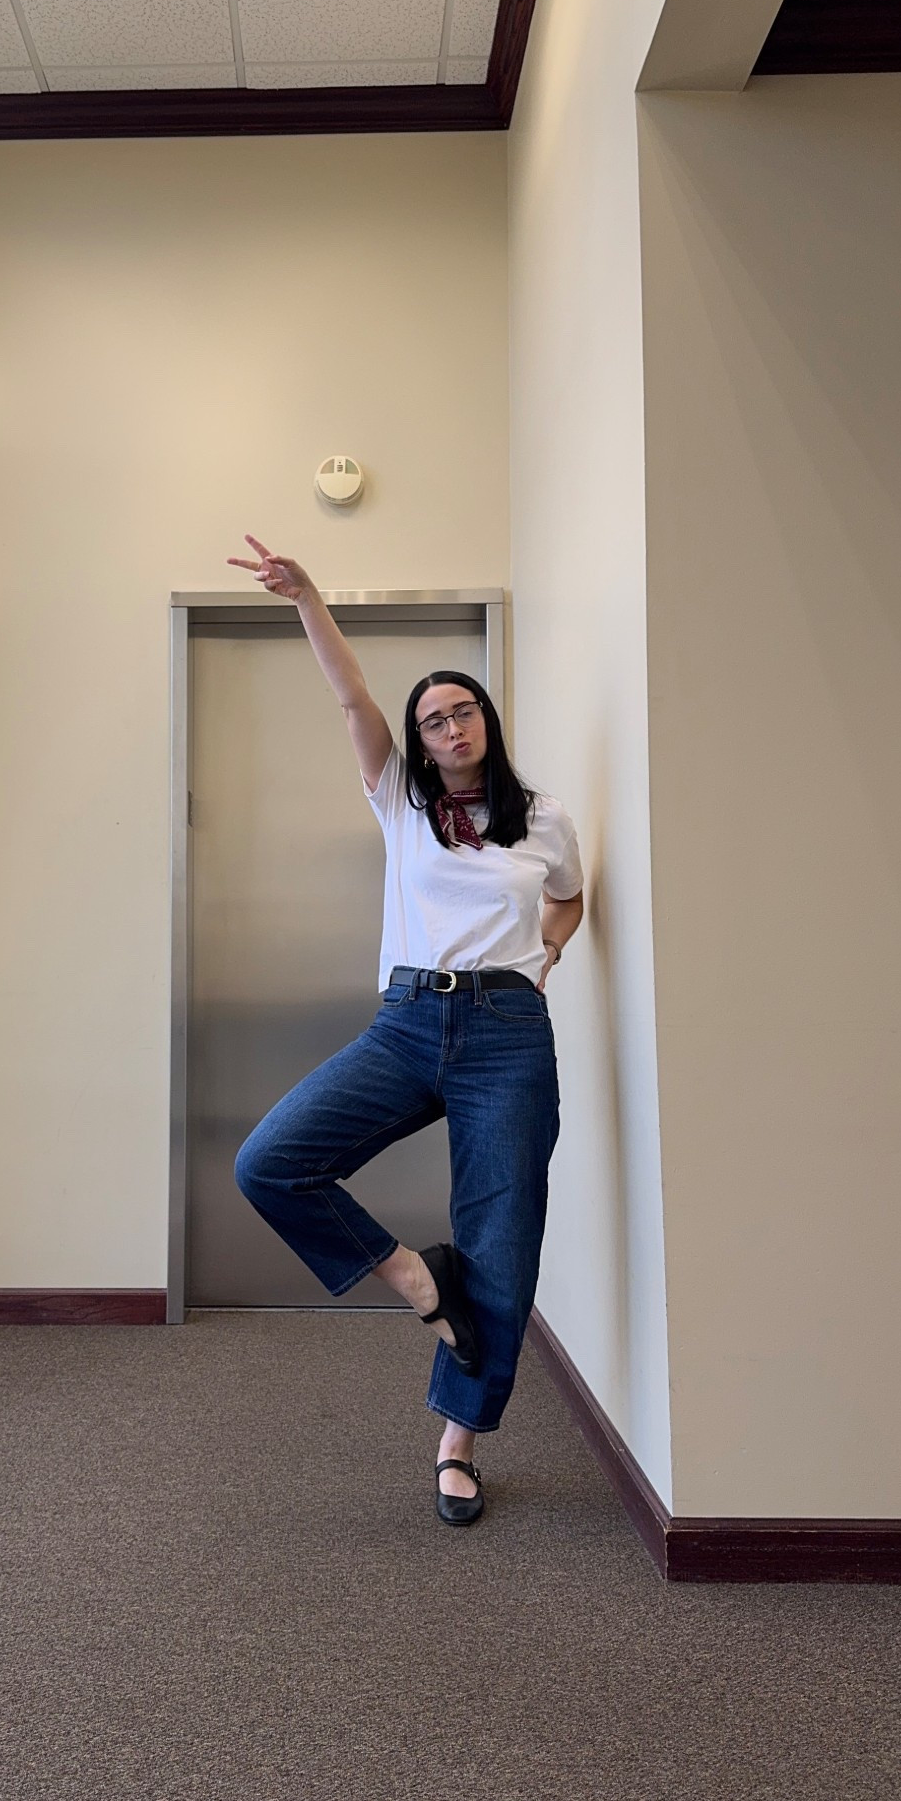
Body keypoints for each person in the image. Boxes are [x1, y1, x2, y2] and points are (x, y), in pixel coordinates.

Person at [226, 535, 584, 1526]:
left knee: (504, 1242)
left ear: (486, 719)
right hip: (409, 1019)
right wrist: (307, 596)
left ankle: (457, 1442)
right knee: (271, 1159)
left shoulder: (545, 817)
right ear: (418, 741)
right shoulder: (402, 802)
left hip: (510, 1034)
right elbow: (350, 696)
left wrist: (544, 958)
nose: (447, 724)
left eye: (461, 708)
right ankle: (419, 1278)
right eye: (431, 718)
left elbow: (570, 897)